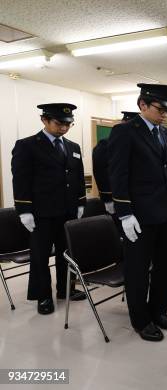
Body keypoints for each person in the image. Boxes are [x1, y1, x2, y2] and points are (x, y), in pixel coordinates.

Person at [108, 83, 167, 341]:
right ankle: (141, 319)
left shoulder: (165, 135)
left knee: (166, 266)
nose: (165, 113)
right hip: (139, 216)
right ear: (142, 104)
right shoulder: (125, 132)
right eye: (160, 108)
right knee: (138, 269)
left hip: (166, 213)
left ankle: (159, 311)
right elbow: (118, 175)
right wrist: (124, 213)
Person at [11, 103, 87, 315]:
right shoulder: (27, 146)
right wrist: (24, 210)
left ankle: (66, 289)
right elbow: (21, 180)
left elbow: (78, 177)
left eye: (68, 124)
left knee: (66, 253)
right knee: (40, 256)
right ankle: (42, 295)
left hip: (68, 211)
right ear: (44, 120)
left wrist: (81, 202)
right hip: (41, 213)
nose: (64, 128)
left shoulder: (72, 147)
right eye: (59, 123)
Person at [92, 111, 138, 215]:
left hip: (135, 197)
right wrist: (107, 198)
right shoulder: (105, 144)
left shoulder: (136, 145)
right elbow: (101, 172)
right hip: (116, 198)